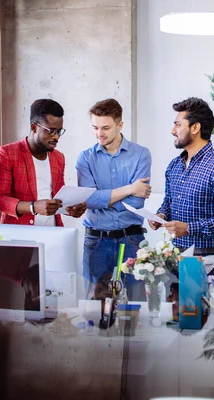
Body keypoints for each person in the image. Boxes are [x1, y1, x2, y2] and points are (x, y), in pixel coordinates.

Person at [148, 97, 214, 278]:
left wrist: (190, 228)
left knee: (199, 307)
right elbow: (169, 200)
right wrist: (161, 215)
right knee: (176, 305)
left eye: (178, 125)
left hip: (208, 259)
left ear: (195, 128)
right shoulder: (175, 165)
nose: (172, 130)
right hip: (175, 255)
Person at [76, 98, 152, 299]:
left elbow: (136, 202)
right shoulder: (85, 158)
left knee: (136, 305)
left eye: (106, 128)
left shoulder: (141, 154)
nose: (99, 133)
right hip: (96, 242)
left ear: (120, 125)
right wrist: (130, 189)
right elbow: (89, 200)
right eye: (95, 127)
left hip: (132, 240)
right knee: (94, 307)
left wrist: (103, 198)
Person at [0, 99, 86, 227]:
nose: (56, 137)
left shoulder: (58, 158)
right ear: (34, 127)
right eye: (51, 131)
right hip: (19, 236)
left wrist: (71, 208)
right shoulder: (6, 154)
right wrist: (32, 207)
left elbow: (58, 198)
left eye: (59, 131)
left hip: (53, 234)